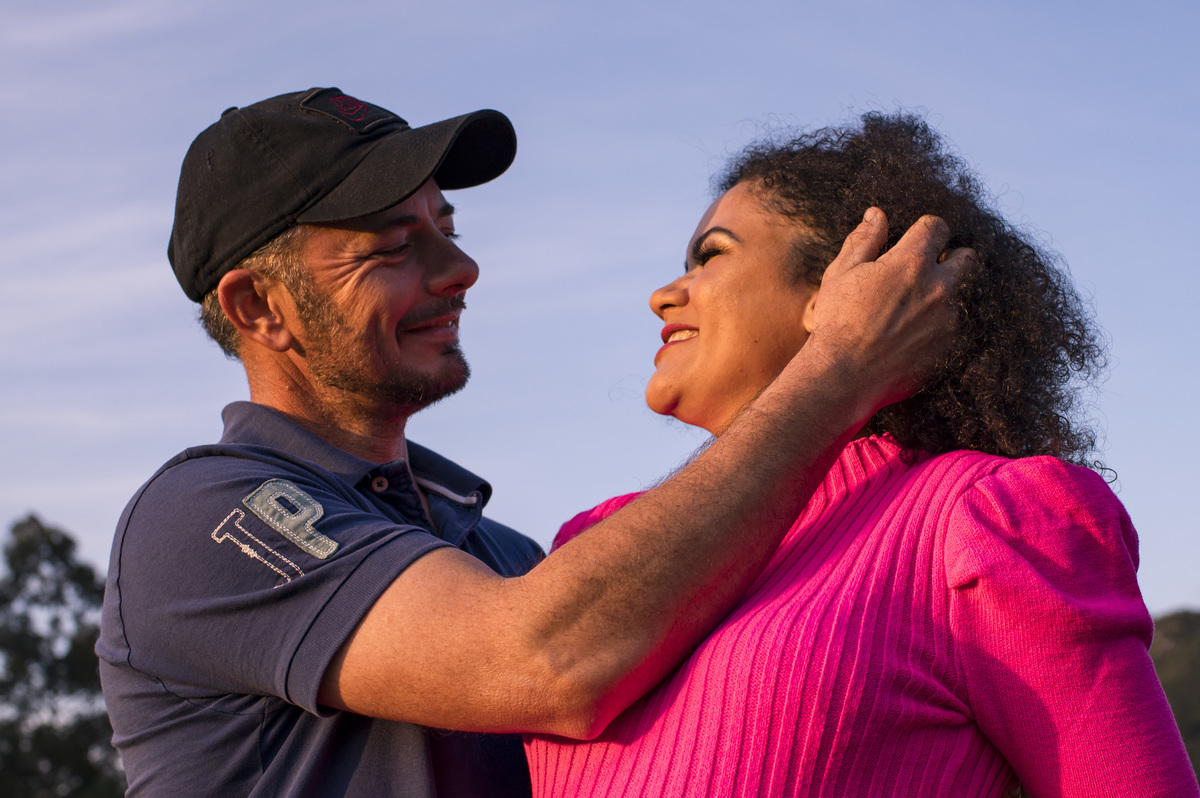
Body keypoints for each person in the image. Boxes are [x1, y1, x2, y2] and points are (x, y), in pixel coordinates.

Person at [95, 89, 968, 798]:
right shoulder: (200, 519)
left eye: (448, 230)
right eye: (395, 247)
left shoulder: (508, 558)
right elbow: (547, 661)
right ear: (258, 307)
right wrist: (840, 367)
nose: (459, 270)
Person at [524, 113, 1200, 797]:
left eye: (712, 256)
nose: (663, 295)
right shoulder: (590, 538)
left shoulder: (985, 518)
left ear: (848, 284)